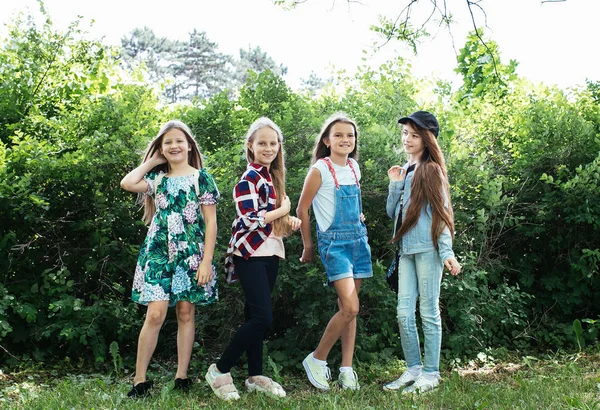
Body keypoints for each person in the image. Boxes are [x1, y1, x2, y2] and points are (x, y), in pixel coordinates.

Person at [120, 120, 219, 398]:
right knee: (155, 313)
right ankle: (140, 381)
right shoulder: (158, 180)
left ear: (189, 145)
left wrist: (206, 261)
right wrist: (152, 161)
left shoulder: (202, 178)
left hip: (190, 254)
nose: (174, 146)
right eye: (168, 142)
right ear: (162, 149)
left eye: (179, 141)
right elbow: (128, 183)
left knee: (186, 312)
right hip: (159, 253)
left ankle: (182, 376)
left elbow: (211, 224)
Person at [205, 117, 301, 401]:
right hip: (249, 253)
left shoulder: (272, 178)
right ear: (251, 146)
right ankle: (220, 369)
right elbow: (249, 220)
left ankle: (255, 375)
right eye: (262, 143)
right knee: (262, 317)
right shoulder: (248, 178)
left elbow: (270, 222)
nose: (268, 147)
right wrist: (282, 209)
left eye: (273, 143)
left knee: (253, 316)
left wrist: (288, 218)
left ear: (279, 146)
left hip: (270, 251)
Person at [383, 111, 461, 394]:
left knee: (428, 312)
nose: (408, 139)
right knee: (404, 313)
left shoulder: (431, 170)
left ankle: (431, 372)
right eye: (405, 133)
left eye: (414, 135)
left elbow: (441, 215)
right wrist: (395, 183)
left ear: (427, 140)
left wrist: (447, 253)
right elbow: (393, 214)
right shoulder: (407, 169)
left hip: (428, 251)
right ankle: (414, 368)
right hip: (405, 252)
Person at [296, 113, 373, 391]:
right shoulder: (320, 169)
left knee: (347, 310)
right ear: (327, 141)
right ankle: (317, 359)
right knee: (352, 306)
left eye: (350, 135)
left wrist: (361, 217)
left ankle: (347, 369)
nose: (345, 140)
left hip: (358, 241)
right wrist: (308, 246)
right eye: (339, 135)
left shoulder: (354, 167)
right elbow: (302, 209)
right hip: (335, 244)